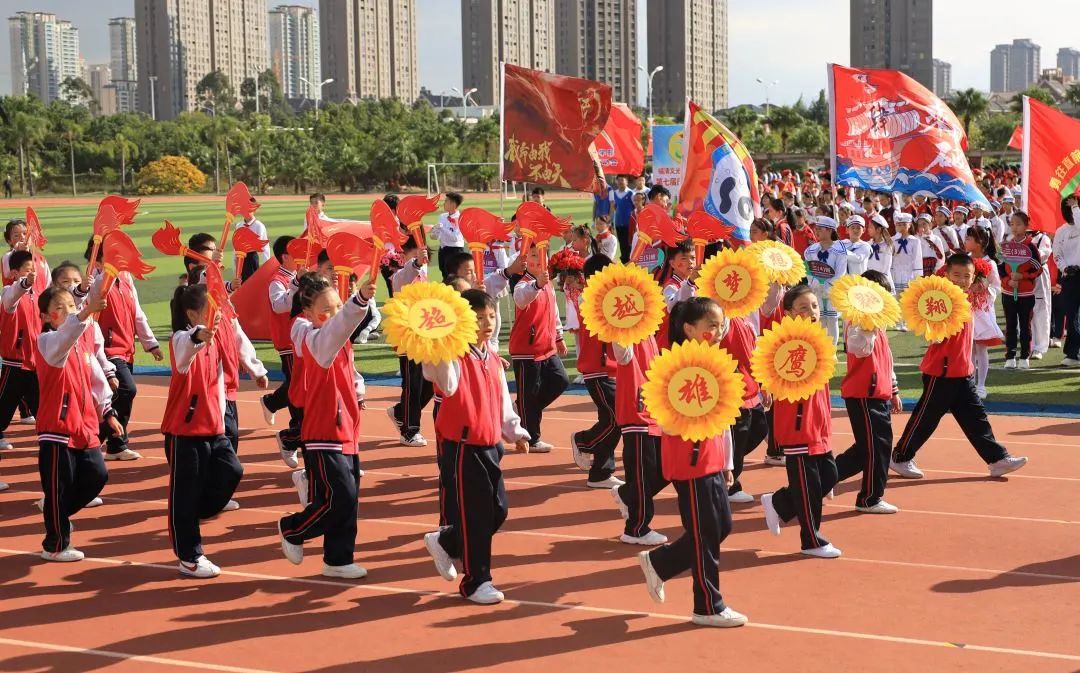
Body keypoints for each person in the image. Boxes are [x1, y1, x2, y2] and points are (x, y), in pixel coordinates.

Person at [638, 296, 747, 628]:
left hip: (712, 458)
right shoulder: (671, 366)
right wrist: (690, 417)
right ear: (689, 329)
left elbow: (725, 421)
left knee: (721, 527)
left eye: (721, 325)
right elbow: (661, 417)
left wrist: (727, 462)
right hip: (689, 460)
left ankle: (662, 563)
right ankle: (708, 606)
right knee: (704, 534)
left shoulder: (716, 363)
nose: (718, 331)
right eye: (711, 325)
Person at [421, 289, 531, 604]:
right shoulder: (453, 355)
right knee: (477, 515)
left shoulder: (493, 358)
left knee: (498, 510)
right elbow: (448, 384)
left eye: (491, 316)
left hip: (491, 445)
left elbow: (502, 402)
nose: (487, 323)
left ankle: (448, 541)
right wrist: (440, 343)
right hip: (463, 446)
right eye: (479, 318)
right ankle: (476, 581)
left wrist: (516, 432)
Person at [890, 254, 1029, 479]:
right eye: (957, 275)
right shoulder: (940, 300)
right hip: (941, 372)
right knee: (926, 418)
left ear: (974, 277)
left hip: (962, 371)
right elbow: (931, 333)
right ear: (946, 274)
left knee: (976, 418)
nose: (962, 280)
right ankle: (900, 457)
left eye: (967, 276)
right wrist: (935, 329)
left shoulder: (966, 298)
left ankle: (997, 459)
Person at [278, 273, 376, 580]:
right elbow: (338, 327)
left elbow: (350, 368)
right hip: (324, 431)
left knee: (347, 500)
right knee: (339, 499)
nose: (333, 314)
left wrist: (359, 390)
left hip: (347, 429)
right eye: (326, 309)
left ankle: (338, 559)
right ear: (308, 313)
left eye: (337, 307)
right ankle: (293, 528)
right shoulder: (315, 339)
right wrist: (359, 300)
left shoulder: (336, 340)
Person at [162, 284, 244, 578]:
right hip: (184, 432)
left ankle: (190, 514)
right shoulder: (181, 339)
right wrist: (199, 335)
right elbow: (187, 346)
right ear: (192, 314)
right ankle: (189, 556)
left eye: (217, 310)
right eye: (211, 311)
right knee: (184, 494)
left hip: (213, 428)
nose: (217, 315)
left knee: (232, 471)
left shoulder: (215, 341)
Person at [35, 283, 120, 562]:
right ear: (46, 316)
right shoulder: (46, 342)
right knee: (59, 487)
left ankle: (56, 513)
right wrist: (84, 314)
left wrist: (108, 412)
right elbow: (66, 334)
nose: (68, 311)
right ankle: (55, 545)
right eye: (59, 308)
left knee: (97, 475)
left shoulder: (81, 345)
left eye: (71, 306)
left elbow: (96, 381)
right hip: (57, 429)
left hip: (84, 427)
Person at [760, 285, 842, 558]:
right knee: (808, 485)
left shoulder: (819, 338)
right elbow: (767, 369)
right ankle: (811, 540)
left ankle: (780, 503)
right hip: (797, 422)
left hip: (818, 422)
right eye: (803, 308)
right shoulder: (783, 341)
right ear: (789, 313)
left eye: (814, 306)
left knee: (829, 476)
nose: (811, 312)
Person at [83, 237, 163, 461]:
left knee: (117, 395)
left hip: (127, 347)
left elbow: (137, 312)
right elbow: (89, 300)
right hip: (107, 349)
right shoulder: (95, 280)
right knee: (127, 390)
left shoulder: (126, 278)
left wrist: (151, 343)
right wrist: (99, 271)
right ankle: (95, 440)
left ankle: (114, 445)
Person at [834, 270, 902, 515]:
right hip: (863, 394)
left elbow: (887, 360)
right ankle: (869, 498)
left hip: (877, 393)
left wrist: (893, 389)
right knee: (876, 447)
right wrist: (869, 325)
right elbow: (858, 348)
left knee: (868, 449)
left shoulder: (877, 324)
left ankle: (822, 477)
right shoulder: (857, 321)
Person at [509, 245, 569, 453]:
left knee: (560, 381)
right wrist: (537, 285)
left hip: (547, 347)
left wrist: (559, 336)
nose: (538, 259)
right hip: (526, 349)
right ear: (525, 260)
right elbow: (521, 299)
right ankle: (532, 438)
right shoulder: (522, 283)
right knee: (530, 394)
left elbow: (553, 311)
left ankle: (523, 409)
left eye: (542, 254)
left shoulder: (548, 283)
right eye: (533, 255)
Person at [611, 328, 668, 546]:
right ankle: (636, 528)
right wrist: (621, 325)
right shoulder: (628, 333)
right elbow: (622, 354)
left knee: (666, 468)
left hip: (653, 413)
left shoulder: (650, 333)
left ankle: (628, 494)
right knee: (642, 475)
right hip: (636, 414)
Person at [570, 254, 623, 489]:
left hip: (611, 369)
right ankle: (583, 440)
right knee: (616, 419)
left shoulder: (606, 297)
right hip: (598, 369)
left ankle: (600, 473)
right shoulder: (590, 299)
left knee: (609, 419)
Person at [261, 236, 304, 467]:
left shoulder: (302, 275)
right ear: (285, 256)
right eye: (296, 251)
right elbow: (279, 306)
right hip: (288, 343)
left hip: (305, 340)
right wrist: (296, 283)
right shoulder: (277, 280)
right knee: (298, 389)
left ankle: (271, 402)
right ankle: (291, 439)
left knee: (301, 386)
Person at [387, 238, 435, 447]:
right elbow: (407, 273)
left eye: (423, 255)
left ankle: (400, 412)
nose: (420, 259)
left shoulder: (424, 275)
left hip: (426, 335)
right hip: (407, 336)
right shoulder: (399, 277)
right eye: (414, 255)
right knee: (413, 384)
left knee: (431, 383)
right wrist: (415, 262)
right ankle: (410, 431)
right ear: (403, 256)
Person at [0, 251, 43, 448]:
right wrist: (24, 283)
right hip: (15, 363)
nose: (32, 273)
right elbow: (14, 294)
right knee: (4, 405)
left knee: (43, 407)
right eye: (27, 269)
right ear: (15, 273)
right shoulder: (8, 293)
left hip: (36, 363)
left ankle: (51, 438)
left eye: (34, 269)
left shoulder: (39, 295)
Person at [999, 211, 1043, 369]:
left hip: (1026, 295)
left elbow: (1038, 269)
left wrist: (1022, 276)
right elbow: (1000, 268)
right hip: (1008, 293)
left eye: (1018, 224)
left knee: (1025, 326)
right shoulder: (1006, 246)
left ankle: (1024, 356)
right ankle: (1010, 357)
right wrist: (1008, 281)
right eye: (1012, 224)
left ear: (1026, 226)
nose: (1014, 227)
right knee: (1010, 325)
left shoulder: (1031, 247)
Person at [965, 227, 1004, 399]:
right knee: (969, 348)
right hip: (966, 308)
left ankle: (981, 385)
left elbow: (997, 286)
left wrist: (984, 287)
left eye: (969, 238)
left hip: (982, 309)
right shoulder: (965, 259)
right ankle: (969, 382)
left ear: (980, 242)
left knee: (981, 347)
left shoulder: (990, 263)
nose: (965, 241)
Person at [803, 215, 847, 344]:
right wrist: (815, 283)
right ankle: (822, 347)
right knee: (819, 317)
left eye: (819, 229)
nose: (816, 231)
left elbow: (841, 272)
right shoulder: (810, 250)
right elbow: (808, 270)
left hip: (833, 290)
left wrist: (828, 285)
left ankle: (832, 349)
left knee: (832, 319)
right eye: (816, 228)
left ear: (829, 230)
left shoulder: (840, 251)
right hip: (816, 289)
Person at [1053, 196, 1080, 367]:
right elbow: (1057, 254)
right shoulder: (1061, 231)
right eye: (1068, 207)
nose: (1071, 210)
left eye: (1074, 206)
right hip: (1070, 277)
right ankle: (1073, 353)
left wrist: (1076, 207)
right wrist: (1065, 268)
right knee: (1072, 315)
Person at [655, 239, 697, 349]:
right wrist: (690, 282)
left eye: (693, 258)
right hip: (669, 343)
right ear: (672, 263)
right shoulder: (670, 286)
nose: (690, 262)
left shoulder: (696, 284)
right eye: (684, 258)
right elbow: (674, 307)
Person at [891, 213, 923, 330]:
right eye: (899, 225)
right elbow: (891, 257)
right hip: (896, 271)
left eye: (904, 224)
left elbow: (917, 259)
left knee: (907, 299)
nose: (901, 227)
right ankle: (898, 321)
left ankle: (905, 322)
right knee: (897, 298)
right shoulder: (892, 240)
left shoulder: (915, 241)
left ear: (909, 225)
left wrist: (917, 276)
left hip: (909, 272)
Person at [432, 192, 465, 277]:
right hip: (443, 249)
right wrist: (435, 233)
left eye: (446, 201)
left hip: (455, 250)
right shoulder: (442, 216)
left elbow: (455, 238)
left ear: (453, 204)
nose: (444, 203)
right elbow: (438, 235)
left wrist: (442, 228)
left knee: (454, 276)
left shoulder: (460, 218)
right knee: (444, 274)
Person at [234, 212, 271, 281]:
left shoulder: (259, 226)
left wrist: (267, 266)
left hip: (251, 258)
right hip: (240, 257)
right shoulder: (239, 225)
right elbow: (236, 244)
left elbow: (265, 247)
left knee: (252, 282)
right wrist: (235, 260)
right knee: (240, 282)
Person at [608, 175, 636, 263]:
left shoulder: (631, 193)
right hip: (619, 223)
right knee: (622, 243)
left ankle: (631, 262)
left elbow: (635, 207)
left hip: (629, 223)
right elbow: (613, 208)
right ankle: (624, 262)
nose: (620, 182)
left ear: (626, 182)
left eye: (622, 180)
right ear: (616, 182)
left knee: (629, 243)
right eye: (619, 180)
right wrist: (610, 221)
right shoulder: (614, 193)